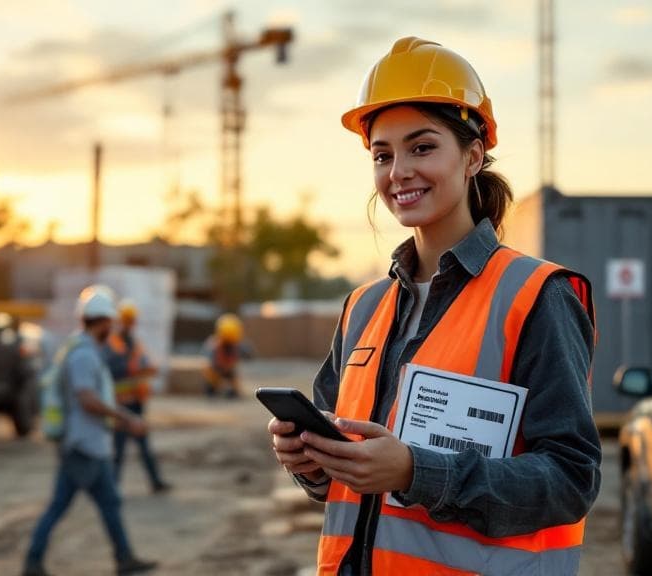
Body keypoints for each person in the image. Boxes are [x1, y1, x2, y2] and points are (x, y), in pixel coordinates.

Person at [267, 37, 600, 575]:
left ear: (472, 155)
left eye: (422, 147)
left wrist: (414, 471)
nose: (398, 170)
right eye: (383, 154)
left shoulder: (537, 297)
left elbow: (569, 481)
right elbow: (341, 482)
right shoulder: (362, 308)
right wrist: (311, 462)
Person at [23, 287, 157, 576]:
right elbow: (87, 399)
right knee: (60, 506)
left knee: (109, 504)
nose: (113, 328)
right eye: (110, 322)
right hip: (82, 447)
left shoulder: (83, 349)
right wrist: (126, 418)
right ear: (103, 322)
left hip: (91, 445)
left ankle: (124, 558)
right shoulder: (83, 355)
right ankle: (32, 562)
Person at [104, 299, 170, 493]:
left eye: (131, 320)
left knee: (144, 446)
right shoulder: (112, 345)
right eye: (126, 320)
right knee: (119, 449)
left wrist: (148, 369)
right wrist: (138, 373)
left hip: (137, 403)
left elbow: (140, 364)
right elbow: (116, 372)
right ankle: (112, 486)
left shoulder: (133, 342)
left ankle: (156, 481)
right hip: (120, 405)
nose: (129, 323)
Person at [202, 313, 250, 398]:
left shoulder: (238, 345)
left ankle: (233, 390)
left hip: (229, 369)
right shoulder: (214, 344)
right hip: (216, 369)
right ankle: (212, 389)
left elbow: (248, 355)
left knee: (233, 375)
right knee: (210, 371)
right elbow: (210, 359)